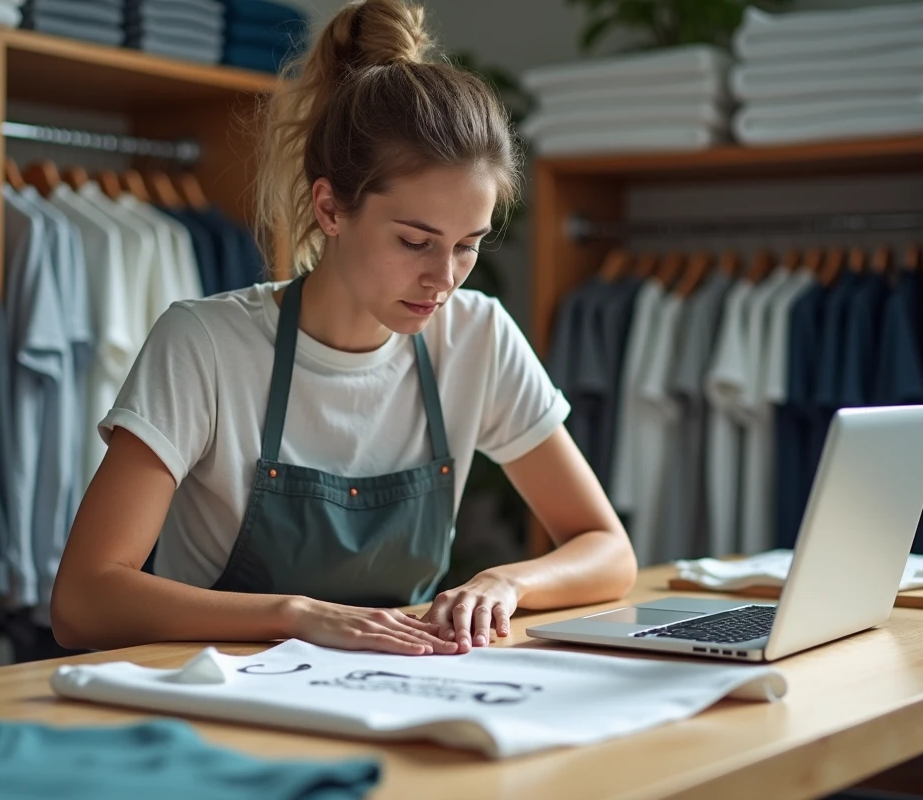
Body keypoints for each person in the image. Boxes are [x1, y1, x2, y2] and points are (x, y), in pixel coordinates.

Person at [50, 0, 636, 657]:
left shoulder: (478, 336)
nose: (444, 278)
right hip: (224, 703)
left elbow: (608, 549)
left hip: (399, 688)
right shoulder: (205, 345)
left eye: (467, 245)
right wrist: (296, 615)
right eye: (416, 241)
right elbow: (84, 600)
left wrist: (505, 583)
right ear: (331, 208)